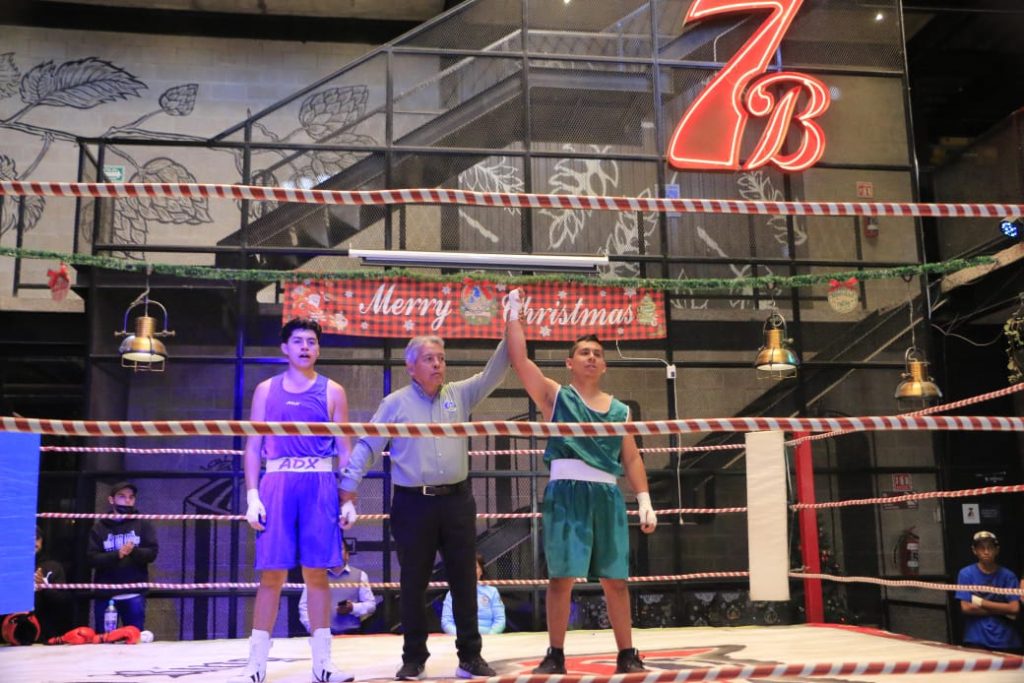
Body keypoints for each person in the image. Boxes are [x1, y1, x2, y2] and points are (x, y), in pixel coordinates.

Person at [504, 288, 657, 675]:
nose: (592, 357)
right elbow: (519, 361)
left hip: (606, 495)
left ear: (604, 366)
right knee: (561, 578)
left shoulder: (620, 410)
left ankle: (627, 654)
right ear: (569, 362)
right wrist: (513, 314)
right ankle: (555, 653)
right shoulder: (556, 397)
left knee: (616, 580)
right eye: (585, 352)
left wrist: (644, 500)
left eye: (598, 354)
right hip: (566, 493)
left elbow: (631, 457)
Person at [339, 334, 509, 680]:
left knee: (465, 580)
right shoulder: (395, 403)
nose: (438, 365)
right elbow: (369, 445)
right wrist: (348, 486)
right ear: (411, 366)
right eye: (430, 359)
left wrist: (512, 329)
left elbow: (494, 372)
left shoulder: (459, 394)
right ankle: (414, 658)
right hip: (413, 503)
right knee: (413, 583)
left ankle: (470, 657)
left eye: (441, 358)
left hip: (457, 501)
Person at [230, 317, 357, 683]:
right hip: (278, 483)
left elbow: (344, 450)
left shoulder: (334, 391)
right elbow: (253, 446)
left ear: (319, 349)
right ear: (285, 348)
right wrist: (252, 495)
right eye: (298, 341)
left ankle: (323, 665)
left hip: (319, 485)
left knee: (317, 573)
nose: (305, 347)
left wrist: (349, 498)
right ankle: (255, 665)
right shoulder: (265, 391)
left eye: (312, 341)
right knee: (272, 574)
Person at [86, 481, 159, 632]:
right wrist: (117, 554)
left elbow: (152, 553)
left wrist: (133, 551)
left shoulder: (143, 524)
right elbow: (91, 559)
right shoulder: (99, 528)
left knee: (134, 638)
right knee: (105, 640)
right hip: (106, 594)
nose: (127, 500)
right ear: (111, 500)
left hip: (133, 593)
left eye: (131, 497)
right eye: (122, 496)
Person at [954, 530, 1021, 654]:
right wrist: (1003, 610)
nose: (986, 551)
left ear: (997, 550)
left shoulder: (1008, 576)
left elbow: (1014, 608)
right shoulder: (966, 574)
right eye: (981, 548)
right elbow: (966, 608)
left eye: (990, 547)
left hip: (1006, 638)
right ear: (974, 550)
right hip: (977, 637)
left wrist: (979, 602)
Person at [299, 539, 376, 635]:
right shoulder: (316, 576)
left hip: (352, 635)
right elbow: (304, 606)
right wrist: (313, 628)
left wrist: (353, 608)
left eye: (340, 548)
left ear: (347, 555)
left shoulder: (360, 575)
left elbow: (371, 605)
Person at [441, 554, 505, 637]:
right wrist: (461, 636)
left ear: (481, 571)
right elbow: (446, 622)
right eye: (466, 567)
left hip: (489, 637)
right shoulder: (452, 593)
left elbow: (500, 620)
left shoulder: (492, 592)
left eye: (475, 567)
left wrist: (490, 636)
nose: (470, 571)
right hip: (461, 637)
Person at [34, 525, 72, 641]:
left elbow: (63, 601)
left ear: (41, 540)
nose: (33, 542)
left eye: (36, 538)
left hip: (47, 635)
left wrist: (44, 587)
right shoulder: (10, 568)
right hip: (11, 632)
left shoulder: (53, 567)